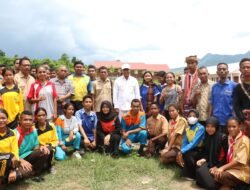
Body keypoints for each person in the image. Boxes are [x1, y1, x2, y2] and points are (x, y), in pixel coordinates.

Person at [211, 117, 250, 189]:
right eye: (229, 127)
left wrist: (222, 168)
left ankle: (240, 186)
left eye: (234, 126)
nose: (231, 129)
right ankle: (229, 186)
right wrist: (218, 167)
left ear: (240, 126)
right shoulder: (229, 138)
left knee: (220, 176)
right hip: (231, 169)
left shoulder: (244, 141)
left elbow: (238, 161)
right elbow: (226, 155)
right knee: (214, 172)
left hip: (242, 171)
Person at [14, 111, 50, 182]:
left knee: (46, 150)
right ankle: (30, 170)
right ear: (20, 121)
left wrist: (41, 147)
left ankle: (36, 172)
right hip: (16, 159)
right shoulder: (15, 133)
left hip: (29, 155)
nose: (28, 122)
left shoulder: (34, 131)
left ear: (33, 121)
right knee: (20, 175)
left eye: (30, 120)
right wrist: (21, 160)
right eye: (25, 120)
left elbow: (35, 147)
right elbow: (11, 153)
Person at [195, 117, 228, 190]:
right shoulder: (207, 136)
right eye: (207, 126)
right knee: (199, 168)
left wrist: (217, 166)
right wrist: (204, 159)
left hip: (221, 166)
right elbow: (207, 152)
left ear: (216, 127)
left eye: (212, 127)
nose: (209, 129)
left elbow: (226, 157)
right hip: (210, 162)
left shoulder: (223, 138)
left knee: (211, 187)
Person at [176, 109, 205, 179]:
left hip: (200, 149)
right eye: (190, 116)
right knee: (185, 154)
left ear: (198, 118)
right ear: (187, 118)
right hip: (191, 148)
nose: (192, 118)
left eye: (194, 116)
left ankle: (193, 174)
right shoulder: (188, 128)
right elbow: (185, 141)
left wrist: (182, 151)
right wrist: (181, 151)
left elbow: (194, 143)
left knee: (188, 154)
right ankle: (188, 172)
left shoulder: (201, 128)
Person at [210, 63, 237, 133]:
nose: (222, 71)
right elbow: (212, 104)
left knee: (228, 142)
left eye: (224, 69)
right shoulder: (214, 87)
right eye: (219, 69)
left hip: (229, 122)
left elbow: (237, 105)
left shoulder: (234, 86)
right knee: (217, 142)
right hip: (216, 122)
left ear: (227, 71)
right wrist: (210, 118)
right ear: (217, 72)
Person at [34, 107, 61, 173]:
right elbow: (34, 143)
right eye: (39, 115)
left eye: (43, 115)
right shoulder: (33, 129)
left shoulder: (51, 126)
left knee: (60, 156)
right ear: (36, 117)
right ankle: (46, 165)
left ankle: (50, 165)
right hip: (39, 148)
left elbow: (55, 140)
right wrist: (41, 146)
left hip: (51, 146)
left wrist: (48, 145)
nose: (41, 117)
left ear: (46, 116)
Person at [0, 108, 20, 186]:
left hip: (8, 163)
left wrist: (13, 169)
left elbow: (15, 152)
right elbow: (11, 155)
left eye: (3, 118)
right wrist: (10, 155)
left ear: (7, 119)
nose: (1, 120)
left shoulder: (12, 133)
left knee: (23, 173)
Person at [234, 58, 250, 137]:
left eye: (248, 67)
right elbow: (236, 106)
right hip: (244, 122)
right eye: (243, 67)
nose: (246, 69)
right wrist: (244, 120)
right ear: (240, 70)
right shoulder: (238, 87)